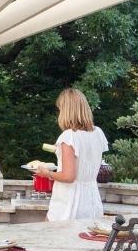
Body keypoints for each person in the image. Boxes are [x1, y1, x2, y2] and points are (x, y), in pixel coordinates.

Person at [39, 88, 108, 222]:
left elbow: (69, 176)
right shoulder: (98, 133)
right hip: (91, 199)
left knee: (50, 239)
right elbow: (87, 158)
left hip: (69, 201)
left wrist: (47, 173)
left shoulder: (69, 136)